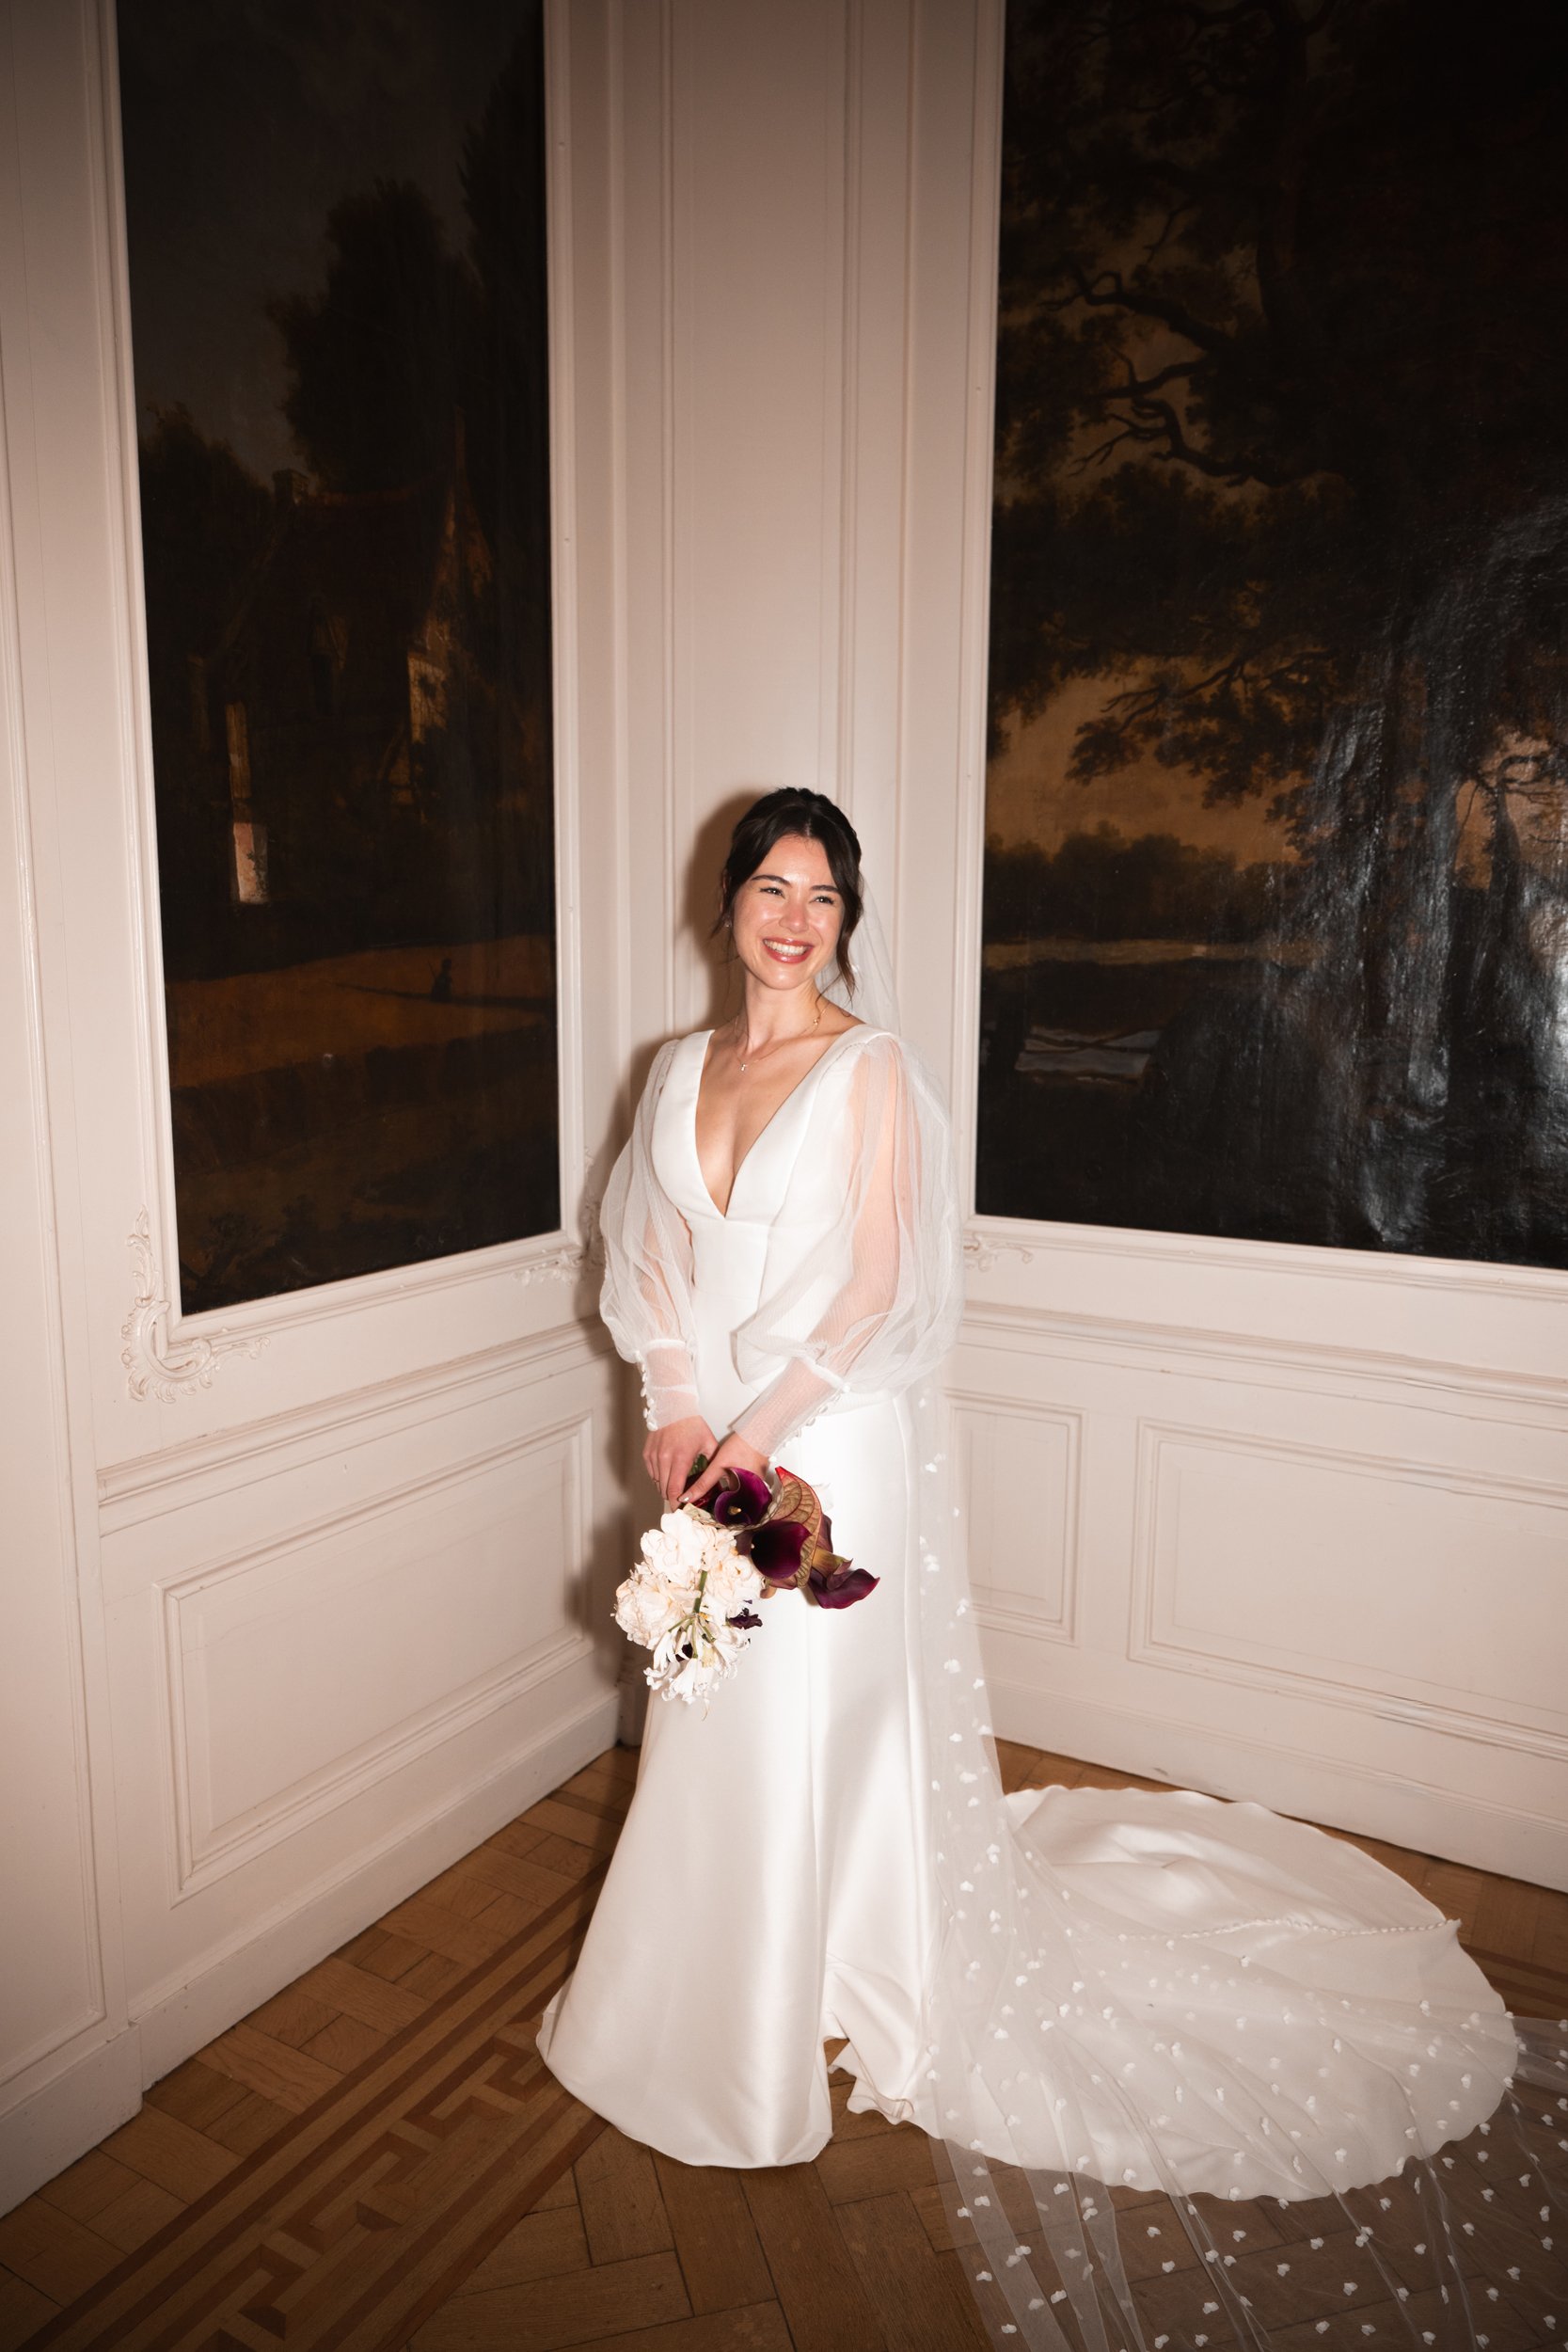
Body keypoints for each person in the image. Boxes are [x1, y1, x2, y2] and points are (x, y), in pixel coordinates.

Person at [537, 789, 1565, 2351]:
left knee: (817, 1708)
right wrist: (675, 1412)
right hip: (721, 1445)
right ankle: (725, 1978)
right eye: (770, 885)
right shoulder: (677, 1072)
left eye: (822, 893)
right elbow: (653, 1260)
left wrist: (758, 1443)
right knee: (717, 1705)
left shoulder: (871, 1068)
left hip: (831, 1438)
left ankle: (854, 1959)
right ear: (726, 903)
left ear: (848, 918)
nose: (794, 916)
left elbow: (881, 1282)